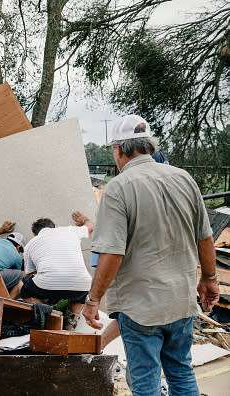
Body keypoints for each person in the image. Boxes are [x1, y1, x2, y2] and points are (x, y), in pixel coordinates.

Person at [82, 114, 219, 395]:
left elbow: (111, 253)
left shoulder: (118, 188)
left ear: (118, 149)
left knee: (145, 382)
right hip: (180, 302)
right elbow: (205, 237)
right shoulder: (184, 178)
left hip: (141, 308)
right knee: (181, 373)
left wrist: (93, 300)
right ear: (150, 146)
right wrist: (209, 278)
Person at [13, 211, 94, 329]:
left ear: (35, 234)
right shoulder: (70, 231)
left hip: (47, 285)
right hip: (82, 284)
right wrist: (83, 219)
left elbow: (27, 274)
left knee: (23, 287)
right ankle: (71, 320)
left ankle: (50, 315)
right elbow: (90, 226)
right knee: (80, 289)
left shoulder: (31, 244)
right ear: (53, 228)